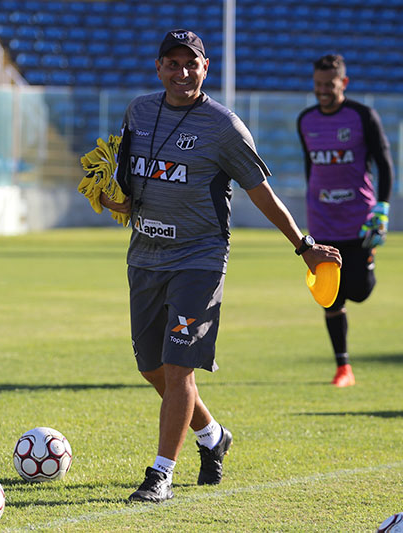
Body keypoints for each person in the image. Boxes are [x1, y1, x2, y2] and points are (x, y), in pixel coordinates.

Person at [98, 30, 342, 503]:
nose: (182, 72)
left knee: (178, 367)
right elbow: (132, 185)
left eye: (191, 64)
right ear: (159, 68)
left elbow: (261, 193)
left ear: (205, 68)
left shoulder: (224, 127)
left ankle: (160, 475)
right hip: (144, 257)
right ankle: (213, 436)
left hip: (199, 260)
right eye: (172, 63)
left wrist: (304, 245)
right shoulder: (139, 112)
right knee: (151, 366)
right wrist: (112, 198)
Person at [296, 54, 395, 388]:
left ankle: (368, 263)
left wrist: (382, 209)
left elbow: (383, 162)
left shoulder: (362, 116)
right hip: (323, 224)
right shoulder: (306, 120)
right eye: (318, 85)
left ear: (344, 83)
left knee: (360, 291)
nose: (323, 91)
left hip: (359, 221)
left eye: (330, 85)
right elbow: (312, 169)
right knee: (330, 297)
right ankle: (343, 368)